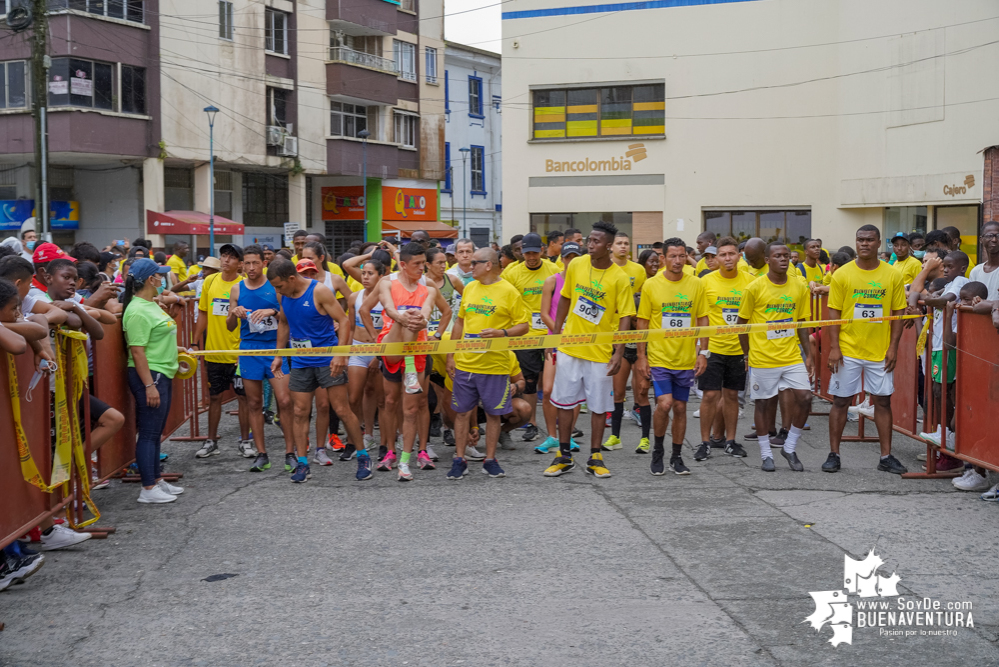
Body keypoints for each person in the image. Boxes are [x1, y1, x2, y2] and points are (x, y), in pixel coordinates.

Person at [544, 221, 636, 479]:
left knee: (598, 407)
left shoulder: (619, 278)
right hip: (570, 348)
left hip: (599, 353)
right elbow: (565, 297)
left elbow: (625, 317)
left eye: (595, 241)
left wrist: (618, 352)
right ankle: (563, 455)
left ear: (608, 246)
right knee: (564, 402)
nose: (589, 245)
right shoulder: (576, 265)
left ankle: (595, 456)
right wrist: (556, 334)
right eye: (589, 240)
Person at [268, 257, 371, 483]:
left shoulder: (320, 291)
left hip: (327, 359)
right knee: (299, 411)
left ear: (292, 278)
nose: (277, 290)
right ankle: (303, 464)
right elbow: (284, 323)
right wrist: (278, 355)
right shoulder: (283, 294)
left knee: (342, 409)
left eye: (279, 285)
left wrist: (341, 354)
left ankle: (363, 455)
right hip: (301, 360)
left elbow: (343, 321)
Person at [823, 225, 908, 475]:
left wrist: (893, 347)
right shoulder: (842, 274)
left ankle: (886, 456)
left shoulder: (892, 275)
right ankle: (833, 454)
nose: (864, 244)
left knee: (882, 402)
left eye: (870, 240)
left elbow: (898, 313)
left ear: (879, 242)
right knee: (840, 401)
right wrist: (834, 348)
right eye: (860, 239)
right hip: (848, 350)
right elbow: (833, 314)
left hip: (879, 352)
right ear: (856, 242)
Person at [362, 242, 449, 480]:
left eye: (424, 263)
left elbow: (437, 310)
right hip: (392, 345)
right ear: (403, 264)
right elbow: (380, 309)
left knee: (412, 408)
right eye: (417, 264)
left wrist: (433, 330)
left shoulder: (428, 287)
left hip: (417, 347)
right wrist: (376, 338)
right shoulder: (388, 282)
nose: (423, 268)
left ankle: (407, 460)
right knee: (390, 402)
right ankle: (390, 451)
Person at [446, 248, 531, 480]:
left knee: (494, 414)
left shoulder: (509, 292)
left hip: (495, 366)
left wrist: (501, 332)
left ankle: (490, 460)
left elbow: (524, 326)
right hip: (466, 364)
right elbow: (459, 323)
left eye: (474, 262)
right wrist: (451, 355)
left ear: (488, 265)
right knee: (462, 413)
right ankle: (459, 459)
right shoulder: (470, 288)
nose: (469, 266)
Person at [635, 238, 709, 476]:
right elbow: (643, 322)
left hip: (685, 358)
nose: (677, 261)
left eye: (681, 256)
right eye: (672, 257)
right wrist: (641, 356)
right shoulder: (651, 285)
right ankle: (658, 450)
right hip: (659, 358)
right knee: (664, 404)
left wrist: (703, 353)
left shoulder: (696, 284)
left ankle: (676, 456)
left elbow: (703, 319)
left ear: (685, 257)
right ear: (664, 259)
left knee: (679, 407)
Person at [737, 243, 812, 472]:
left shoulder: (799, 287)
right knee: (763, 404)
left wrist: (809, 355)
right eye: (777, 256)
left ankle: (789, 446)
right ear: (767, 259)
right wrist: (748, 354)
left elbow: (802, 325)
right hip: (763, 358)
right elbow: (741, 325)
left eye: (786, 256)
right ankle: (766, 454)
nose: (783, 259)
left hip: (791, 357)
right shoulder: (754, 287)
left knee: (806, 398)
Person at [225, 245, 295, 473]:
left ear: (263, 263)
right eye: (247, 263)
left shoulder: (273, 286)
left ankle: (291, 452)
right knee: (254, 403)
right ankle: (262, 454)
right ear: (241, 265)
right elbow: (229, 326)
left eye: (256, 263)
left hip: (275, 349)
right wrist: (233, 314)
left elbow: (288, 317)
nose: (251, 267)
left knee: (284, 401)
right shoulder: (236, 289)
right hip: (249, 350)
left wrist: (272, 312)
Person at [121, 259, 186, 503]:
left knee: (155, 431)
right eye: (160, 276)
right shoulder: (137, 309)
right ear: (150, 280)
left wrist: (175, 348)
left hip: (162, 372)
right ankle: (147, 488)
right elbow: (137, 351)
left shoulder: (149, 304)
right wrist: (149, 385)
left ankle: (156, 480)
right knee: (149, 433)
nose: (163, 279)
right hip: (151, 375)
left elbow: (157, 337)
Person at [694, 237, 753, 461]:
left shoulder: (750, 281)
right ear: (716, 258)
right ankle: (704, 443)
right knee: (709, 395)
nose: (727, 258)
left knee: (731, 396)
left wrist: (749, 351)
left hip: (738, 350)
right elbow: (700, 318)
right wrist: (699, 350)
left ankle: (730, 441)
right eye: (723, 255)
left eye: (731, 254)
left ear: (739, 255)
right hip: (713, 349)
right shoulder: (705, 282)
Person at [191, 243, 250, 459]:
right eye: (224, 256)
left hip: (239, 354)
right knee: (213, 398)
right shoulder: (210, 281)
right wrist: (195, 343)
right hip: (214, 352)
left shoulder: (244, 285)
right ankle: (210, 440)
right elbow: (203, 314)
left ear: (240, 263)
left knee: (243, 398)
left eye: (231, 257)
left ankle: (245, 441)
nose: (226, 260)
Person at [501, 233, 560, 445]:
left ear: (542, 251)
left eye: (535, 253)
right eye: (527, 253)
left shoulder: (553, 270)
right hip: (525, 337)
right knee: (530, 383)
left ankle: (560, 421)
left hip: (550, 334)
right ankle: (532, 423)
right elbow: (504, 298)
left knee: (553, 382)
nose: (531, 257)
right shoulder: (512, 273)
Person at [536, 241, 583, 454]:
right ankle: (552, 436)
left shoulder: (584, 283)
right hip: (554, 340)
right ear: (562, 259)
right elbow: (544, 313)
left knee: (574, 391)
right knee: (547, 390)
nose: (570, 261)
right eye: (567, 257)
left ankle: (568, 434)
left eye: (575, 257)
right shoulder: (552, 281)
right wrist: (557, 332)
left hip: (577, 342)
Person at [603, 231, 646, 452]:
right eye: (619, 243)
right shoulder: (605, 269)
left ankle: (643, 431)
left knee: (641, 390)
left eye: (626, 243)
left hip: (636, 334)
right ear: (611, 247)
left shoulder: (638, 270)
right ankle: (614, 435)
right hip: (612, 334)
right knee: (617, 389)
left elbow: (644, 300)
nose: (623, 246)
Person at [344, 257, 390, 462]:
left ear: (381, 276)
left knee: (380, 398)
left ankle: (384, 442)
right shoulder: (354, 297)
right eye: (363, 273)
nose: (365, 277)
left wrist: (379, 355)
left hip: (379, 350)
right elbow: (350, 327)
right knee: (353, 398)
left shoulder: (387, 299)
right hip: (357, 348)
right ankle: (357, 438)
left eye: (370, 274)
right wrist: (344, 353)